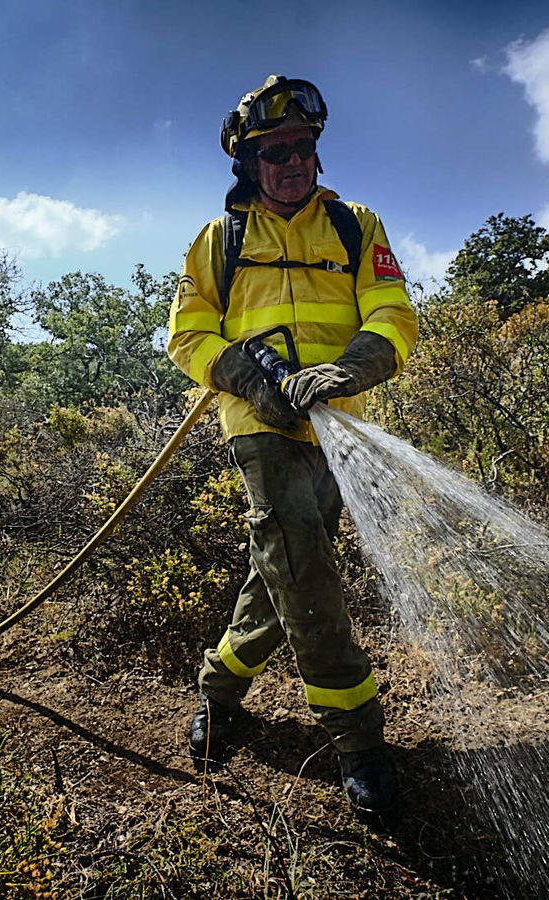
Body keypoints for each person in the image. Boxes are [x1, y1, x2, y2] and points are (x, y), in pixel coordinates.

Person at [166, 74, 419, 822]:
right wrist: (246, 372)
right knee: (306, 572)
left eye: (302, 147)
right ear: (246, 163)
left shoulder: (354, 226)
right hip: (259, 427)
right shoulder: (220, 241)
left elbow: (394, 312)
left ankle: (218, 689)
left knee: (280, 568)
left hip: (337, 427)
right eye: (273, 151)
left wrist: (348, 369)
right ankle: (358, 742)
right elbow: (186, 335)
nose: (292, 162)